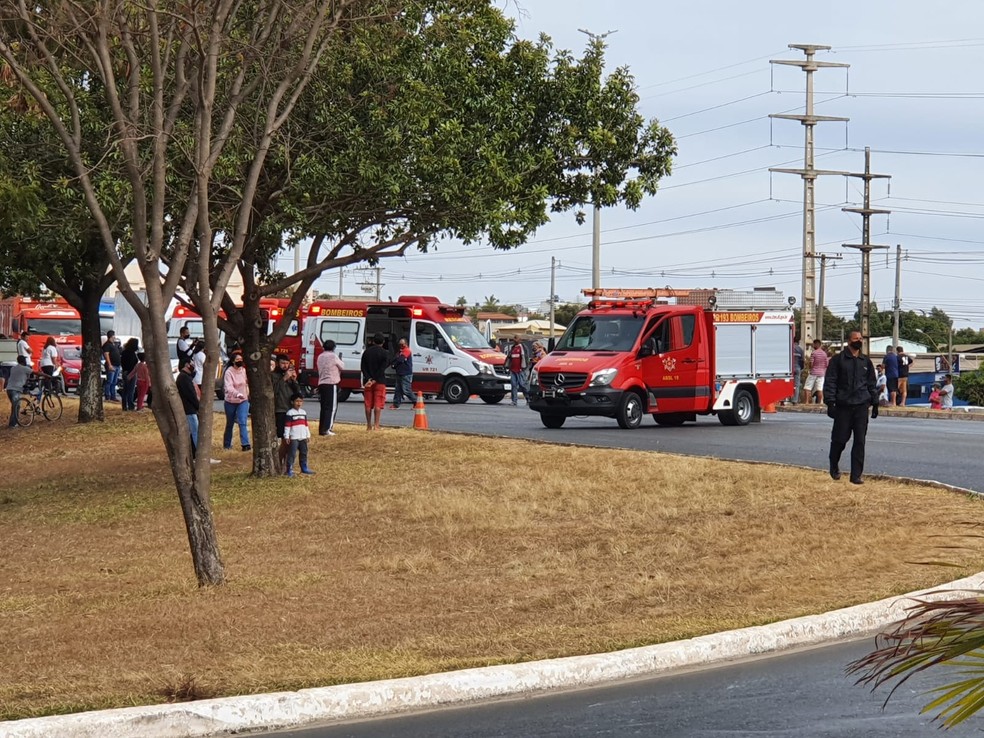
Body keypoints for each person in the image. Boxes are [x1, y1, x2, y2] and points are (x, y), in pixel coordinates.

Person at [824, 330, 879, 485]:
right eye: (856, 338)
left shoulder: (865, 361)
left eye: (861, 338)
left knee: (860, 441)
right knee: (840, 440)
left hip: (861, 406)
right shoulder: (838, 360)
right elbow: (831, 382)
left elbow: (871, 383)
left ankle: (856, 475)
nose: (859, 340)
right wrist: (830, 402)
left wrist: (875, 403)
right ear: (849, 341)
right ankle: (833, 464)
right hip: (843, 406)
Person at [222, 350, 251, 451]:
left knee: (242, 421)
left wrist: (246, 393)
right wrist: (237, 394)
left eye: (241, 360)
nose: (240, 361)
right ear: (233, 361)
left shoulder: (243, 370)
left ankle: (245, 444)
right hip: (230, 401)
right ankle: (227, 444)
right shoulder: (229, 372)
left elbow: (247, 381)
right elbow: (228, 387)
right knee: (230, 423)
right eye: (238, 360)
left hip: (243, 400)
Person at [361, 332, 388, 431]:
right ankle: (376, 425)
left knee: (368, 404)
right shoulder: (384, 353)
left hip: (367, 381)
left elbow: (363, 367)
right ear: (383, 342)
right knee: (378, 403)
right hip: (379, 381)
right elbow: (382, 368)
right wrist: (375, 379)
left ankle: (368, 425)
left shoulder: (366, 352)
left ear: (373, 341)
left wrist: (369, 379)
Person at [316, 339, 344, 436]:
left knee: (323, 407)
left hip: (322, 382)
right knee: (332, 407)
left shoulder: (320, 356)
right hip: (331, 383)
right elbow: (342, 366)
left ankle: (322, 428)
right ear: (333, 347)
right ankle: (328, 428)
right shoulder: (333, 356)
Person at [283, 392, 315, 477]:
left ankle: (304, 467)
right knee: (292, 454)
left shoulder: (303, 412)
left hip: (303, 437)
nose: (299, 403)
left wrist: (308, 435)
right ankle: (289, 469)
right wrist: (286, 436)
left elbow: (305, 425)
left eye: (300, 401)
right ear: (292, 402)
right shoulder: (290, 413)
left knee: (304, 452)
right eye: (297, 401)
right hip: (294, 437)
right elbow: (287, 426)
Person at [272, 354, 301, 441]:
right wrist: (284, 378)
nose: (285, 365)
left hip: (291, 408)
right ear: (277, 363)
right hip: (280, 408)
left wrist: (294, 380)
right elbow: (273, 390)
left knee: (291, 433)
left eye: (287, 363)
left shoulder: (289, 375)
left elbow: (298, 392)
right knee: (281, 433)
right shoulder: (273, 375)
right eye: (282, 363)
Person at [175, 358, 200, 455]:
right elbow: (191, 395)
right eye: (192, 363)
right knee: (195, 431)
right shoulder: (184, 378)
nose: (193, 365)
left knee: (193, 431)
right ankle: (198, 454)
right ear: (186, 365)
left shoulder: (185, 377)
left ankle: (194, 453)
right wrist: (198, 406)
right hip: (189, 410)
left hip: (190, 409)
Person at [6, 356, 32, 428]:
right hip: (16, 389)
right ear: (23, 361)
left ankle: (14, 421)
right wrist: (46, 375)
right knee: (16, 406)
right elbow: (36, 373)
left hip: (9, 389)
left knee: (15, 406)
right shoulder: (25, 368)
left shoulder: (13, 368)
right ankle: (13, 424)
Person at [388, 338, 413, 409]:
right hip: (400, 373)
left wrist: (394, 365)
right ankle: (396, 404)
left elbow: (400, 359)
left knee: (406, 390)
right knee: (398, 390)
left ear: (406, 344)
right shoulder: (400, 351)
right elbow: (395, 358)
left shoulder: (407, 351)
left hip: (406, 373)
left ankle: (416, 402)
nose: (401, 345)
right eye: (400, 344)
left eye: (402, 344)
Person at [802, 339, 828, 404]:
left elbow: (811, 363)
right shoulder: (824, 354)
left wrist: (810, 368)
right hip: (821, 374)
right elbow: (826, 364)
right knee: (820, 389)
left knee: (807, 387)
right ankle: (819, 403)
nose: (813, 346)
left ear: (816, 344)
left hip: (813, 372)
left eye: (813, 344)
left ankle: (806, 402)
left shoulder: (814, 353)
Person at [507, 335, 529, 406]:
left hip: (520, 369)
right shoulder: (513, 348)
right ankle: (514, 401)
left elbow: (525, 357)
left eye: (516, 339)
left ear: (519, 340)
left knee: (522, 384)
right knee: (513, 385)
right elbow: (509, 357)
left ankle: (528, 398)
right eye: (514, 339)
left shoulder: (522, 347)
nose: (514, 340)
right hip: (513, 369)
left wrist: (523, 367)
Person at [120, 337, 140, 411]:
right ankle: (130, 406)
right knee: (131, 390)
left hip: (125, 371)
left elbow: (122, 362)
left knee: (125, 390)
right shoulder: (132, 354)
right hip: (131, 372)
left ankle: (124, 406)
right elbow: (133, 364)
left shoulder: (124, 352)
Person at [102, 330, 121, 401]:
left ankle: (113, 396)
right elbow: (106, 355)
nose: (114, 337)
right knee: (109, 381)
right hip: (112, 365)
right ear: (111, 336)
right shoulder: (107, 345)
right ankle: (108, 395)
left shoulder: (114, 344)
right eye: (113, 336)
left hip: (117, 365)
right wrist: (109, 365)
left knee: (114, 382)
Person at [790, 335, 804, 404]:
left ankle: (785, 400)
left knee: (788, 384)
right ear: (798, 341)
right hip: (797, 368)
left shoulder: (789, 347)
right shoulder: (800, 349)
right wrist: (801, 368)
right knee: (797, 385)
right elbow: (802, 361)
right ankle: (795, 401)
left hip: (789, 369)